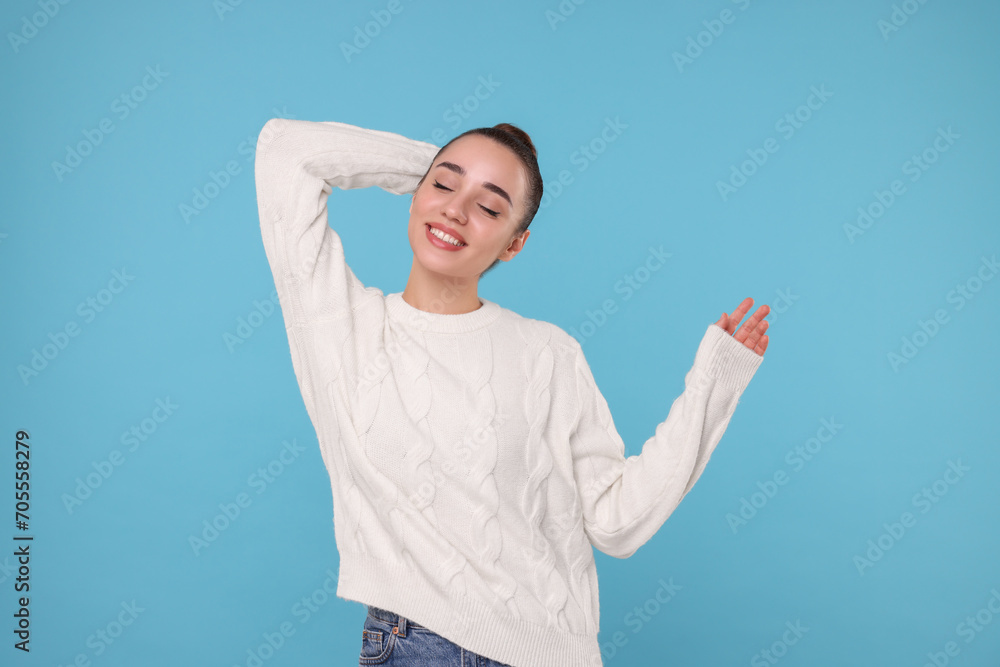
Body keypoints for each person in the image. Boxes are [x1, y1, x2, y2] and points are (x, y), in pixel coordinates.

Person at [253, 117, 769, 667]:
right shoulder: (341, 328)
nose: (456, 210)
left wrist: (713, 386)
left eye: (491, 207)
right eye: (444, 186)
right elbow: (288, 151)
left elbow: (617, 523)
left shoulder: (549, 354)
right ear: (415, 195)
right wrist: (434, 167)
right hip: (419, 647)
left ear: (515, 243)